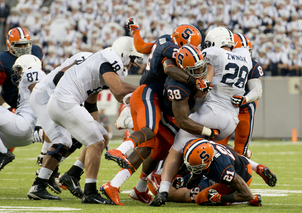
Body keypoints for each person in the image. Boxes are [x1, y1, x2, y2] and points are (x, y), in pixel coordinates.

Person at [100, 44, 220, 205]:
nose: (200, 72)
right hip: (153, 103)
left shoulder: (177, 61)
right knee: (169, 142)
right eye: (196, 69)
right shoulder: (177, 83)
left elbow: (194, 82)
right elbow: (183, 120)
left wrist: (201, 77)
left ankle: (133, 188)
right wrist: (208, 131)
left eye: (201, 67)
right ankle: (127, 132)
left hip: (159, 107)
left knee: (155, 151)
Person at [149, 26, 253, 206]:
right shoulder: (246, 57)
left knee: (177, 148)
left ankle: (164, 190)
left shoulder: (214, 53)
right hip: (231, 121)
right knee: (209, 154)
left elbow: (193, 62)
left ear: (214, 42)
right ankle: (203, 183)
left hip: (212, 113)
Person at [33, 36, 142, 204]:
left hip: (62, 102)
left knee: (102, 137)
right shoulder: (109, 60)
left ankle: (61, 178)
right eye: (132, 57)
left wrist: (97, 124)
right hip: (64, 101)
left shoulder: (103, 61)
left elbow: (91, 99)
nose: (133, 62)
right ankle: (90, 192)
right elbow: (119, 90)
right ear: (123, 53)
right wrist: (145, 90)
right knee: (96, 143)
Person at [104, 18, 210, 170]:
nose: (193, 49)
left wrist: (136, 31)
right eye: (190, 46)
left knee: (156, 140)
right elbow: (169, 67)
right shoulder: (172, 49)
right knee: (152, 130)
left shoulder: (163, 40)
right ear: (181, 43)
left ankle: (137, 185)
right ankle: (129, 125)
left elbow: (140, 47)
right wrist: (195, 82)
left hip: (149, 89)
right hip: (153, 92)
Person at [27, 52, 93, 200]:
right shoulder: (89, 61)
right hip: (47, 97)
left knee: (77, 136)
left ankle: (49, 171)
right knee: (63, 141)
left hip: (54, 97)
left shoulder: (95, 66)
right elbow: (59, 77)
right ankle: (39, 184)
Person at [0, 54, 45, 175]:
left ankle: (3, 153)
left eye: (20, 69)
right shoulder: (33, 77)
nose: (18, 72)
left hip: (23, 123)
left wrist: (39, 123)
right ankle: (2, 151)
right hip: (25, 136)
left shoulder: (33, 72)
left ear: (29, 66)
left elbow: (40, 94)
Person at [167, 138, 262, 206]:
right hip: (236, 164)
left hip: (242, 175)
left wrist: (220, 198)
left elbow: (246, 194)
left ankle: (245, 201)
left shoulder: (223, 169)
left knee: (200, 198)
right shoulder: (195, 147)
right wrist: (180, 175)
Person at [218, 33, 263, 158]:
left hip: (244, 107)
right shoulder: (219, 61)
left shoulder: (252, 64)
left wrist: (245, 99)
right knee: (218, 145)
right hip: (225, 106)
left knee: (241, 148)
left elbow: (257, 90)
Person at [0, 27, 43, 110]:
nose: (23, 48)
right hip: (10, 102)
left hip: (32, 103)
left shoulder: (36, 52)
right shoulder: (4, 60)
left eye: (25, 44)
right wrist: (7, 108)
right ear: (9, 45)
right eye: (18, 45)